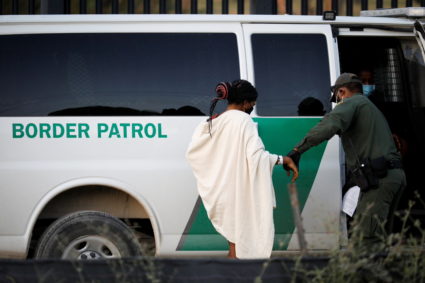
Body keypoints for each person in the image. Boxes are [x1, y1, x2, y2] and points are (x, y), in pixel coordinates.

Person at [286, 73, 406, 248]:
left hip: (381, 179)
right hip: (389, 176)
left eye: (336, 98)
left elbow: (329, 125)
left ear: (342, 91)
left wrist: (297, 150)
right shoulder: (367, 106)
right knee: (377, 236)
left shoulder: (353, 103)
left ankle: (367, 275)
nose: (337, 102)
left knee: (366, 238)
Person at [186, 80, 298, 259]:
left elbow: (194, 152)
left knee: (234, 242)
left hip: (221, 190)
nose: (252, 107)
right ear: (245, 103)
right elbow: (255, 156)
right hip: (239, 190)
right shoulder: (244, 120)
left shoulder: (214, 121)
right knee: (240, 242)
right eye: (252, 104)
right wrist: (281, 159)